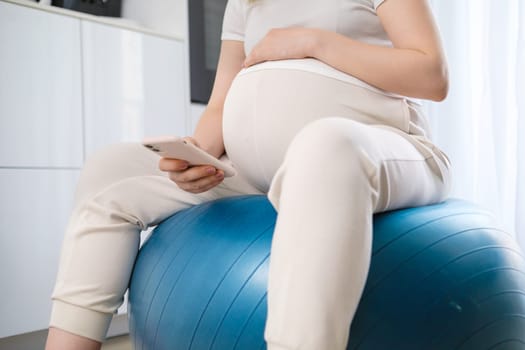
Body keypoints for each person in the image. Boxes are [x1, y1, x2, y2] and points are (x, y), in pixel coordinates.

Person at [45, 0, 451, 349]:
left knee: (323, 145)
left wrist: (313, 42)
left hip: (375, 151)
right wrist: (198, 156)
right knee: (110, 169)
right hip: (259, 173)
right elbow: (221, 101)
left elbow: (431, 75)